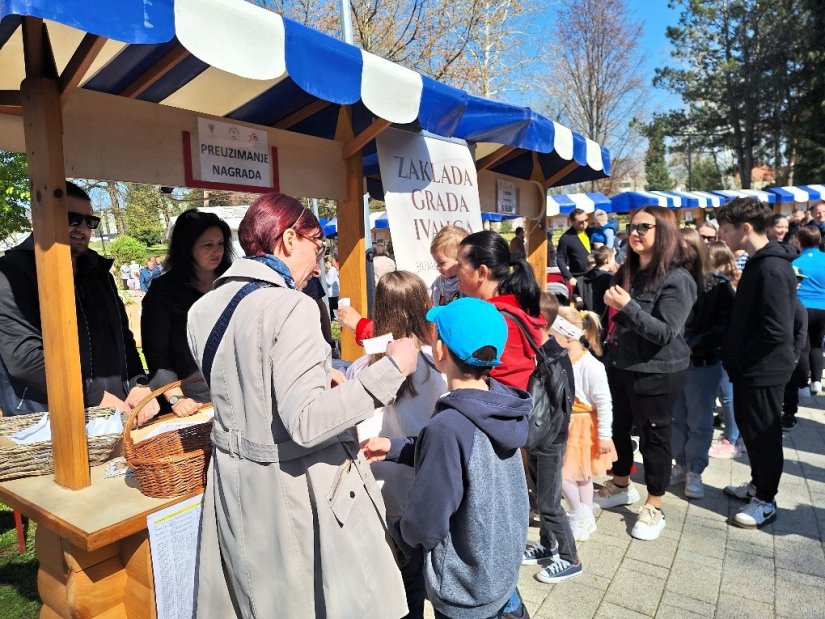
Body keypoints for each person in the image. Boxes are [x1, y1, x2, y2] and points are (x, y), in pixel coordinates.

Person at [187, 193, 418, 618]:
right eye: (318, 246)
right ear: (289, 238)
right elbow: (307, 422)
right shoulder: (293, 307)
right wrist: (392, 371)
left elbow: (248, 385)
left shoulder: (203, 309)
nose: (318, 264)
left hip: (235, 489)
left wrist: (318, 377)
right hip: (289, 492)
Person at [361, 297, 531, 619]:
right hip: (499, 576)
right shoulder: (502, 404)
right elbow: (462, 457)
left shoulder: (448, 426)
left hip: (464, 591)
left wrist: (398, 535)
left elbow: (425, 522)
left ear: (439, 350)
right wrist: (395, 448)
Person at [455, 230, 582, 584]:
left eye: (459, 265)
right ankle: (547, 545)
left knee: (546, 499)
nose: (453, 272)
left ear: (481, 272)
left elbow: (506, 381)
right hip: (541, 421)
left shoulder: (497, 319)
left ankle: (569, 558)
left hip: (527, 425)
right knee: (541, 493)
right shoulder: (515, 308)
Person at [0, 181, 157, 419]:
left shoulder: (98, 272)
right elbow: (25, 358)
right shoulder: (11, 274)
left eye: (89, 221)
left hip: (115, 414)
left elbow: (123, 337)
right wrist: (97, 396)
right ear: (39, 219)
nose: (82, 228)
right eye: (72, 219)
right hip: (48, 419)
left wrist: (138, 382)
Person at [594, 206, 697, 541]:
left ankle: (654, 503)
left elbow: (665, 332)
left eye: (643, 227)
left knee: (654, 436)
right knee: (617, 427)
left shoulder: (677, 279)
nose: (634, 233)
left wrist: (628, 307)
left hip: (657, 371)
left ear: (663, 231)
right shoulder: (628, 271)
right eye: (631, 227)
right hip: (619, 363)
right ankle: (621, 482)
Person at [348, 271, 447, 619]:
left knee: (400, 588)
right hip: (430, 491)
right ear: (424, 306)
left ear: (380, 309)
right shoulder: (439, 365)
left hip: (379, 493)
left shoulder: (362, 367)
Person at [717, 197, 797, 529]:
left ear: (745, 228)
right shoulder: (758, 263)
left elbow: (776, 331)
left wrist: (740, 359)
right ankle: (756, 485)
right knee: (751, 431)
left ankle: (766, 499)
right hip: (751, 368)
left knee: (764, 434)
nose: (721, 235)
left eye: (725, 229)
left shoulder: (772, 267)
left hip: (764, 369)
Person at [141, 209, 234, 416]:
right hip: (192, 402)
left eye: (220, 244)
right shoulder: (163, 292)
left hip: (237, 395)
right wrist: (176, 399)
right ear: (187, 247)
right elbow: (157, 355)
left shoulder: (232, 283)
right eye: (208, 245)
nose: (217, 251)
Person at [669, 228, 735, 499]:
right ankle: (681, 463)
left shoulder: (717, 285)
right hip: (673, 361)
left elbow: (725, 325)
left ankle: (695, 470)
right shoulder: (668, 279)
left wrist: (694, 344)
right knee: (676, 418)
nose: (682, 253)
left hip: (702, 361)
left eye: (687, 247)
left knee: (699, 420)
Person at [552, 306, 614, 542]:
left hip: (581, 427)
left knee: (566, 474)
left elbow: (604, 402)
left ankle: (579, 512)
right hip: (566, 423)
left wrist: (605, 436)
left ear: (567, 336)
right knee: (577, 474)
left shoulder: (591, 366)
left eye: (553, 335)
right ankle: (584, 515)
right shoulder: (561, 359)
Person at [706, 242, 745, 459]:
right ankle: (735, 435)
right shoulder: (730, 283)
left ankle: (733, 438)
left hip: (725, 348)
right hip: (727, 347)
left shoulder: (725, 286)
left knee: (728, 395)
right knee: (727, 395)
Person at [792, 226, 825, 395]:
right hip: (823, 307)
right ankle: (817, 381)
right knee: (817, 345)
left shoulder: (795, 262)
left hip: (802, 307)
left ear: (799, 242)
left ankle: (803, 385)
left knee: (803, 346)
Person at [430, 224, 468, 306]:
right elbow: (433, 302)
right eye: (436, 263)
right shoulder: (438, 282)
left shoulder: (466, 282)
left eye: (442, 263)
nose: (437, 267)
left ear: (459, 260)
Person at [575, 246, 617, 321]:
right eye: (613, 259)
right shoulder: (611, 279)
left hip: (585, 319)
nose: (615, 262)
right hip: (603, 321)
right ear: (606, 260)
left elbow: (576, 294)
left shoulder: (583, 278)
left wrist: (578, 299)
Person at [556, 209, 592, 287]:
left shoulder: (592, 232)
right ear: (572, 222)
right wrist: (569, 277)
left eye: (586, 220)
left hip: (595, 274)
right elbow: (560, 259)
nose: (584, 223)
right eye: (581, 222)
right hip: (579, 277)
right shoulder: (566, 238)